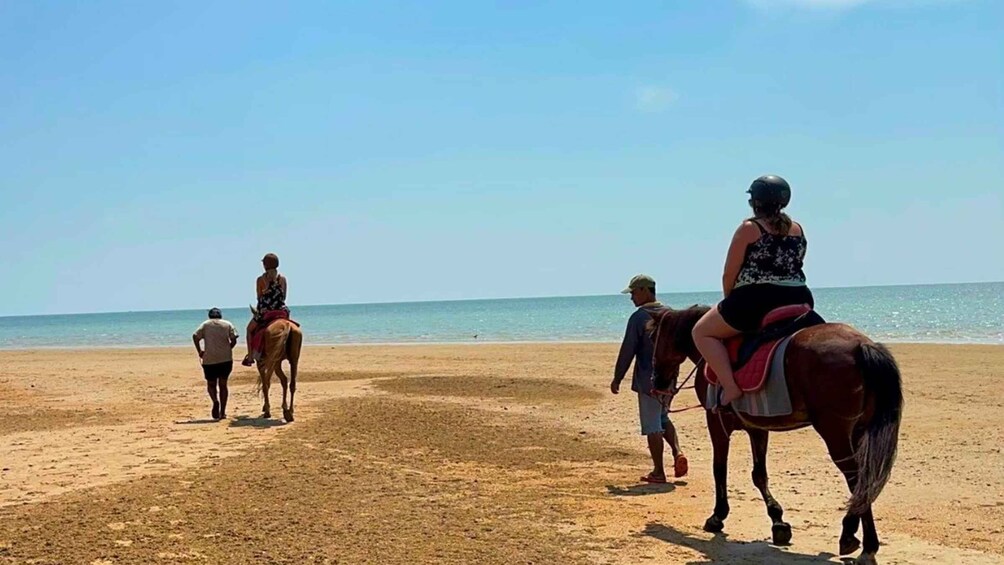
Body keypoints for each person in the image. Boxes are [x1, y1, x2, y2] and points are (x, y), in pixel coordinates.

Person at [692, 175, 814, 406]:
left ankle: (730, 387)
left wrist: (729, 300)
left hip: (756, 301)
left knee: (701, 332)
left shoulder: (749, 228)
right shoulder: (797, 229)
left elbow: (730, 273)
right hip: (799, 297)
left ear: (754, 202)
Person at [611, 274, 688, 483]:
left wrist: (617, 378)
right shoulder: (671, 313)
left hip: (648, 380)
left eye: (634, 292)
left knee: (653, 425)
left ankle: (658, 472)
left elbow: (628, 349)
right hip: (670, 379)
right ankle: (678, 452)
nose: (632, 298)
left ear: (646, 290)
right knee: (662, 418)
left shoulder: (639, 317)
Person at [242, 253, 290, 366]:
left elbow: (259, 298)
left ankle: (250, 357)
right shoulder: (282, 278)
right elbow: (284, 297)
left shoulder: (261, 279)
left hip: (266, 312)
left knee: (249, 330)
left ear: (265, 265)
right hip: (282, 311)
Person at [193, 307, 238, 420]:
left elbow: (195, 336)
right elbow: (234, 338)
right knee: (223, 385)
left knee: (211, 384)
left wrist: (200, 351)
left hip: (209, 360)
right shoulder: (227, 324)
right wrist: (229, 348)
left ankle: (215, 401)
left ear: (210, 316)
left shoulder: (205, 324)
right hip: (225, 359)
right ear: (220, 315)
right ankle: (222, 412)